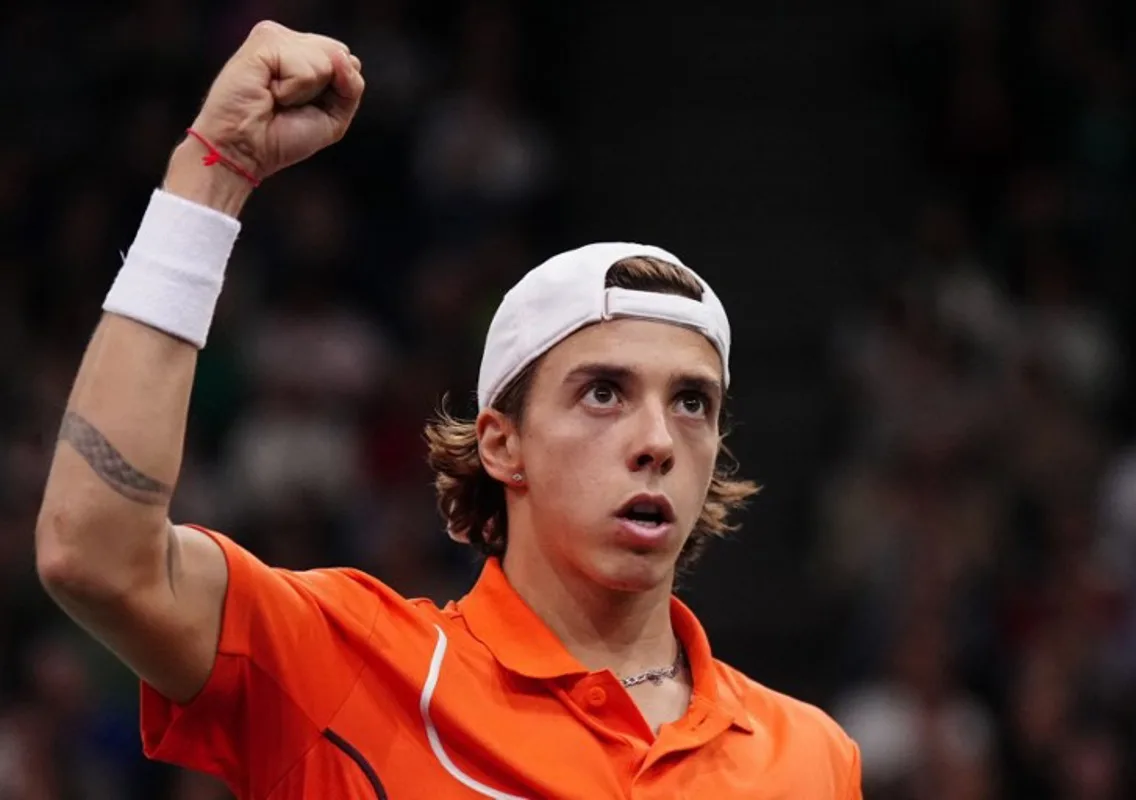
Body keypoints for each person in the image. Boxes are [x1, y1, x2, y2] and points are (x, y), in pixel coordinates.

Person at [34, 20, 863, 800]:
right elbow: (96, 555)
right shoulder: (350, 664)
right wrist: (211, 171)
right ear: (503, 445)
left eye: (691, 403)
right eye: (603, 393)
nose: (656, 441)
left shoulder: (812, 757)